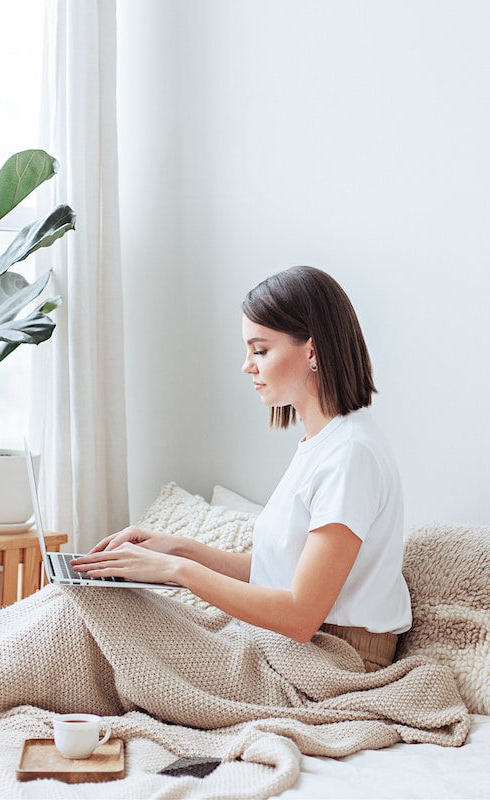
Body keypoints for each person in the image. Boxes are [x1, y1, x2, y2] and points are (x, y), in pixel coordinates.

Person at [72, 265, 411, 671]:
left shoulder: (350, 454)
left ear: (312, 350)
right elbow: (278, 572)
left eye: (260, 350)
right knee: (90, 612)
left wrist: (176, 570)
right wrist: (175, 546)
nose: (247, 365)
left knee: (101, 633)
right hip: (301, 645)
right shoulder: (323, 445)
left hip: (335, 657)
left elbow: (301, 615)